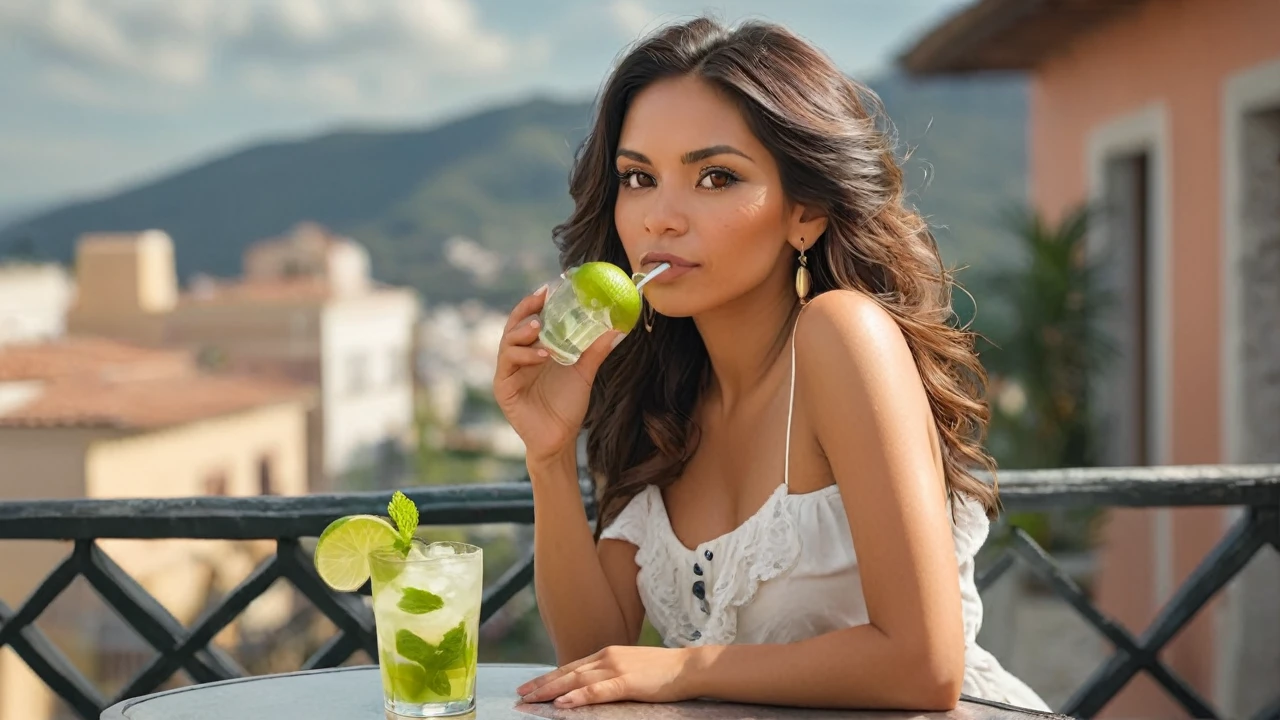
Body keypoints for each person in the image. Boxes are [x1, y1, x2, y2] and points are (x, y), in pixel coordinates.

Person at [492, 15, 1050, 713]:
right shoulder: (656, 390)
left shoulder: (842, 335)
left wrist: (686, 669)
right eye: (638, 177)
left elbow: (923, 667)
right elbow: (595, 657)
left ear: (805, 213)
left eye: (715, 177)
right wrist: (547, 455)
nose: (660, 218)